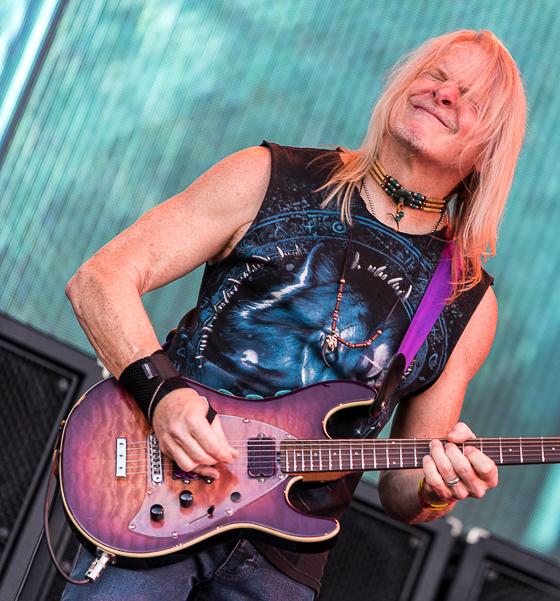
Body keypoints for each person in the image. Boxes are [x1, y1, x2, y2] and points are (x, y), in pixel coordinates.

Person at [62, 29, 526, 600]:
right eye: (436, 75)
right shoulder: (267, 177)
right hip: (156, 494)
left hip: (281, 566)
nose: (444, 93)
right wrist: (163, 396)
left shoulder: (465, 299)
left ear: (489, 148)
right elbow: (100, 280)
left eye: (470, 98)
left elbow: (402, 489)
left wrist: (437, 489)